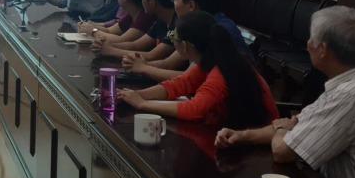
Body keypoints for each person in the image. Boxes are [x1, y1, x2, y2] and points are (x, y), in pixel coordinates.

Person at [214, 6, 355, 178]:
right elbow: (299, 123)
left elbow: (283, 151)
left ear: (322, 49)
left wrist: (282, 128)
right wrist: (241, 136)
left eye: (311, 38)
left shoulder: (349, 96)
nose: (308, 44)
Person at [116, 11, 278, 128]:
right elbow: (177, 85)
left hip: (256, 142)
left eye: (173, 37)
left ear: (184, 45)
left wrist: (142, 104)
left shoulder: (221, 72)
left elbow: (193, 109)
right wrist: (134, 95)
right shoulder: (211, 60)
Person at [123, 0, 251, 82]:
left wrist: (144, 68)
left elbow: (189, 78)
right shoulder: (197, 25)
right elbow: (168, 63)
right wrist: (140, 65)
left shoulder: (216, 30)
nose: (173, 4)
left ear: (191, 5)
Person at [91, 0, 176, 63]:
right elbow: (136, 45)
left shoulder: (174, 23)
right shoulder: (161, 20)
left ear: (152, 2)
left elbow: (152, 56)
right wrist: (105, 45)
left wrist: (110, 50)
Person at [80, 0, 156, 47]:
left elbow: (121, 40)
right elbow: (109, 31)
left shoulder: (145, 17)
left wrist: (93, 31)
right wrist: (91, 26)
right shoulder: (131, 15)